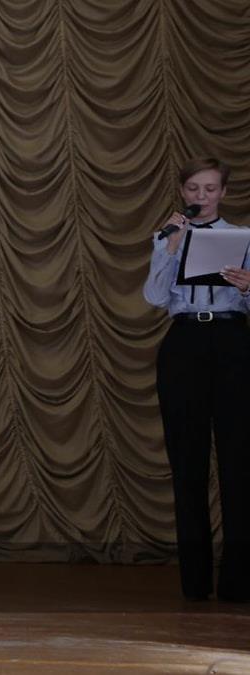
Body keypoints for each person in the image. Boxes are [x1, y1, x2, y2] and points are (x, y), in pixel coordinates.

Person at [144, 157, 250, 603]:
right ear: (183, 192)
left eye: (209, 189)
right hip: (184, 344)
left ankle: (238, 581)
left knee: (239, 462)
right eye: (193, 189)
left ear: (222, 192)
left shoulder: (243, 237)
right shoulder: (166, 237)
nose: (201, 197)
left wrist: (247, 286)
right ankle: (195, 582)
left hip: (232, 342)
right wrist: (169, 247)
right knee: (187, 463)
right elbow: (154, 297)